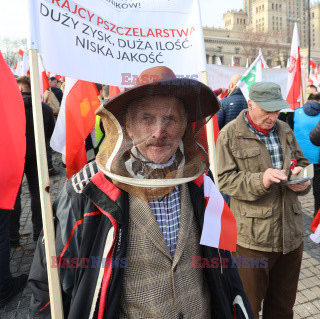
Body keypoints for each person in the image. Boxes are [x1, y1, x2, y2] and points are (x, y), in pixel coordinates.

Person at [28, 66, 253, 319]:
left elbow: (223, 262)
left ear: (183, 127)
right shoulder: (87, 191)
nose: (159, 132)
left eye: (170, 119)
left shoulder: (203, 182)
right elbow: (49, 281)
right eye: (147, 119)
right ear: (129, 126)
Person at [217, 81, 311, 319]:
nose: (273, 116)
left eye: (277, 110)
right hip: (252, 241)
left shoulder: (284, 129)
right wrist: (262, 180)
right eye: (267, 110)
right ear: (250, 104)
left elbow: (299, 162)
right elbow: (225, 181)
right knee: (248, 307)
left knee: (282, 307)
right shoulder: (229, 134)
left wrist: (300, 180)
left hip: (290, 236)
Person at [10, 76, 56, 247]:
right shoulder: (43, 108)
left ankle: (12, 238)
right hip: (38, 155)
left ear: (20, 89)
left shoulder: (9, 107)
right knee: (38, 194)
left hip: (15, 156)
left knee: (13, 196)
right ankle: (38, 233)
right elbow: (50, 132)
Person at [294, 92, 320, 215]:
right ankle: (316, 218)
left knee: (297, 185)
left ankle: (295, 211)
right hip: (317, 157)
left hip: (300, 156)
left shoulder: (296, 113)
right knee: (318, 190)